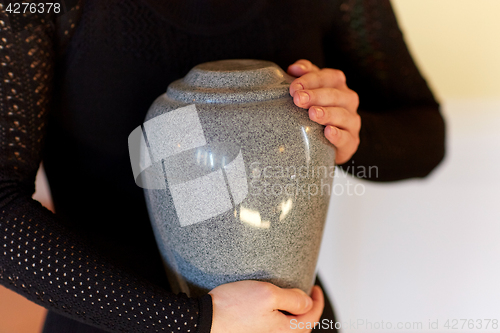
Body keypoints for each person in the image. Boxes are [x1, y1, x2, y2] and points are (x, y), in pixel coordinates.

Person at [0, 0, 445, 332]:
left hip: (290, 318)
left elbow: (427, 138)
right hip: (109, 319)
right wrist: (197, 321)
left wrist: (350, 132)